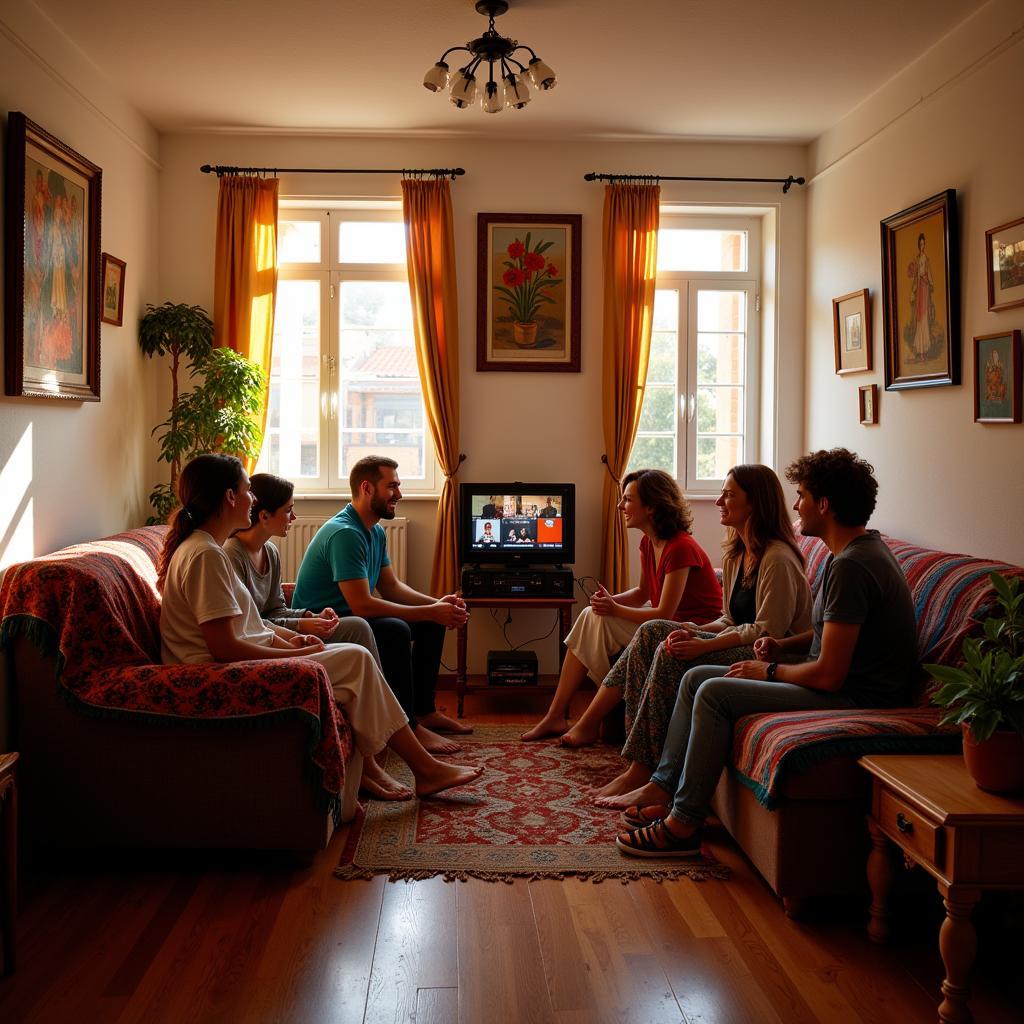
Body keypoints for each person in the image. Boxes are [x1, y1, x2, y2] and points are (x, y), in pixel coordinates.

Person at [614, 448, 917, 858]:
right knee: (693, 677)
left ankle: (683, 825)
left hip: (860, 697)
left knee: (715, 692)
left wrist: (768, 670)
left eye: (803, 495)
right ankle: (666, 787)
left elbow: (829, 674)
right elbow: (823, 638)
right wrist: (783, 647)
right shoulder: (853, 555)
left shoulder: (851, 566)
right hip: (842, 679)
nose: (796, 504)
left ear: (823, 505)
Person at [158, 454, 482, 801]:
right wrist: (297, 650)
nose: (253, 500)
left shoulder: (211, 551)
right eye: (248, 490)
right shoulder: (208, 555)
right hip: (221, 673)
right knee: (358, 656)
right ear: (229, 497)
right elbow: (224, 648)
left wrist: (293, 639)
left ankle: (400, 758)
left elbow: (252, 623)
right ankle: (421, 767)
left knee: (359, 655)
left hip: (245, 657)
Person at [590, 464, 812, 806]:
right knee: (654, 632)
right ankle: (637, 764)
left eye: (729, 494)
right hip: (741, 640)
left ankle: (644, 771)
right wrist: (692, 630)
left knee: (671, 651)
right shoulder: (738, 552)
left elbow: (767, 631)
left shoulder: (777, 558)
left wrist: (698, 645)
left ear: (754, 503)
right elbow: (728, 619)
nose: (719, 500)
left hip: (770, 653)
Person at [521, 469, 722, 744]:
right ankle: (557, 714)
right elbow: (642, 593)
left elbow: (663, 613)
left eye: (627, 499)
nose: (620, 506)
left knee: (596, 620)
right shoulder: (648, 543)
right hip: (666, 622)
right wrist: (610, 602)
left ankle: (576, 718)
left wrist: (613, 610)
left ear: (651, 507)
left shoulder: (680, 548)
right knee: (590, 614)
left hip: (693, 629)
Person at [293, 455, 473, 754]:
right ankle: (407, 726)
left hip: (353, 615)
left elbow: (390, 587)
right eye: (392, 486)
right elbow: (363, 605)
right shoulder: (346, 533)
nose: (399, 495)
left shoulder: (374, 530)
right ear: (367, 488)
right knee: (395, 629)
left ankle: (424, 711)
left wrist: (437, 606)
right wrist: (431, 610)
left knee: (431, 622)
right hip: (327, 625)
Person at [224, 473, 380, 655]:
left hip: (276, 628)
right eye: (288, 510)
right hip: (261, 638)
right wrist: (301, 624)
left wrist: (310, 616)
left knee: (358, 626)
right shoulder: (232, 555)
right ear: (264, 516)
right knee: (358, 635)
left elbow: (276, 610)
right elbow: (248, 623)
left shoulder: (270, 551)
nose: (294, 517)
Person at [906, 232, 935, 363]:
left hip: (925, 287)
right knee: (919, 318)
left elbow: (928, 273)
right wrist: (913, 291)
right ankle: (920, 350)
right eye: (921, 244)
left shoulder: (926, 259)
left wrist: (931, 283)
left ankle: (924, 350)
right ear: (919, 245)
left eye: (924, 243)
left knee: (924, 318)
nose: (922, 246)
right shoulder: (917, 259)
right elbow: (915, 277)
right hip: (919, 289)